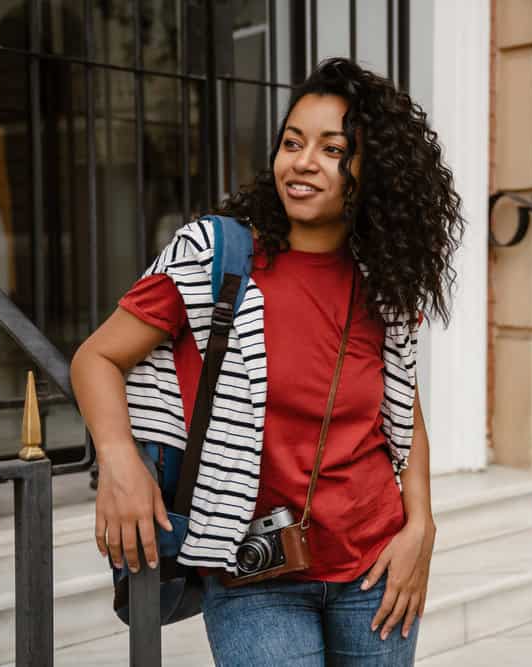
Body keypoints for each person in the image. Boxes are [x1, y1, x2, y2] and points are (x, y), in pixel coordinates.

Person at [70, 57, 464, 665]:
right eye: (292, 142)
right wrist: (120, 458)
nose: (302, 162)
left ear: (371, 170)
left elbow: (400, 408)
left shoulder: (384, 282)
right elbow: (97, 356)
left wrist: (421, 527)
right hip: (256, 572)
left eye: (333, 149)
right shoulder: (215, 256)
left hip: (375, 568)